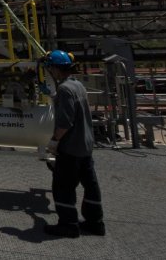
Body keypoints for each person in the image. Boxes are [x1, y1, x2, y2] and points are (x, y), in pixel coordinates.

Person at [43, 49, 105, 238]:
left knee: (63, 187)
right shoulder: (77, 86)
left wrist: (54, 141)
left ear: (55, 68)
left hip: (71, 147)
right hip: (86, 145)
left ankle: (68, 225)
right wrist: (53, 97)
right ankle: (95, 223)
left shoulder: (65, 89)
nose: (50, 72)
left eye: (50, 68)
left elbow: (65, 122)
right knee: (90, 185)